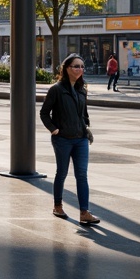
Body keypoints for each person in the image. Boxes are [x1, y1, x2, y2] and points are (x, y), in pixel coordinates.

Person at [40, 54, 98, 225]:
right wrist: (54, 129)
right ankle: (57, 206)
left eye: (81, 66)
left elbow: (83, 114)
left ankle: (84, 212)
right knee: (62, 173)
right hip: (62, 139)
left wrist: (86, 128)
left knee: (82, 175)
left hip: (80, 139)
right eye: (76, 66)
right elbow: (44, 113)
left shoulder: (82, 89)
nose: (80, 69)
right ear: (66, 68)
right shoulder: (56, 89)